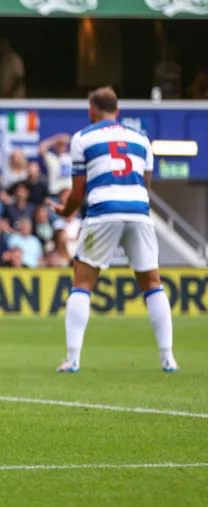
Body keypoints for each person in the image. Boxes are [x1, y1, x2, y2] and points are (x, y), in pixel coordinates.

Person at [51, 87, 176, 374]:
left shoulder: (82, 138)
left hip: (103, 210)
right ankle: (168, 358)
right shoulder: (142, 139)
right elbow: (145, 184)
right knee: (152, 283)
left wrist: (65, 212)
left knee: (82, 283)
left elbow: (78, 192)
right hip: (139, 212)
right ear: (117, 111)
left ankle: (72, 360)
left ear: (91, 110)